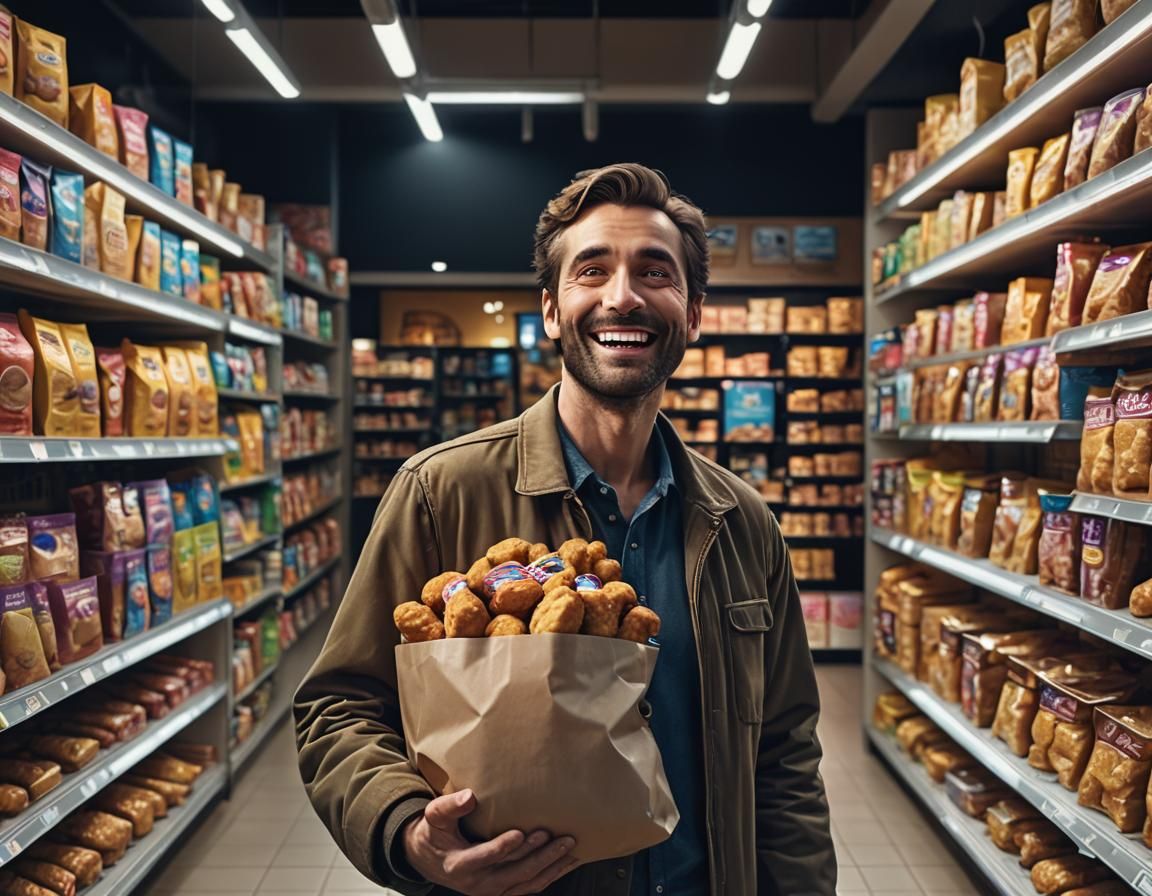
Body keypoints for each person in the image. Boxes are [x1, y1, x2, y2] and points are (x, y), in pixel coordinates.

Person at [295, 162, 836, 896]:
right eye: (593, 271)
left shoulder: (742, 524)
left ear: (693, 312)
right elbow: (339, 706)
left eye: (655, 272)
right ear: (551, 310)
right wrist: (408, 830)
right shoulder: (441, 492)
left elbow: (784, 755)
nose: (623, 296)